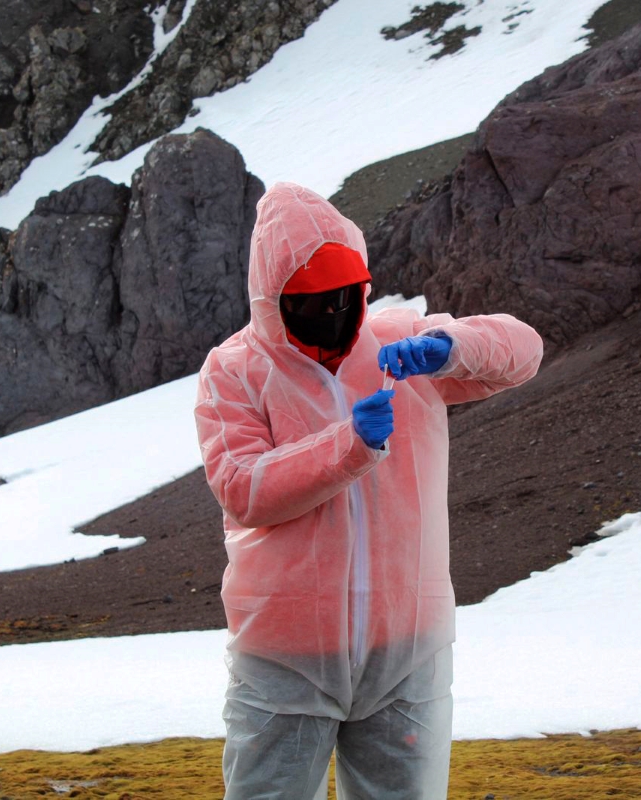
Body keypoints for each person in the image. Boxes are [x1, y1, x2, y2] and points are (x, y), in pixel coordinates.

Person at [194, 182, 543, 799]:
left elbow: (524, 350)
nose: (333, 312)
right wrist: (349, 445)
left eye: (345, 294)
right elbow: (242, 488)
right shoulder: (235, 369)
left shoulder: (396, 343)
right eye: (312, 300)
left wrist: (452, 349)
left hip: (407, 647)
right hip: (283, 654)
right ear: (274, 300)